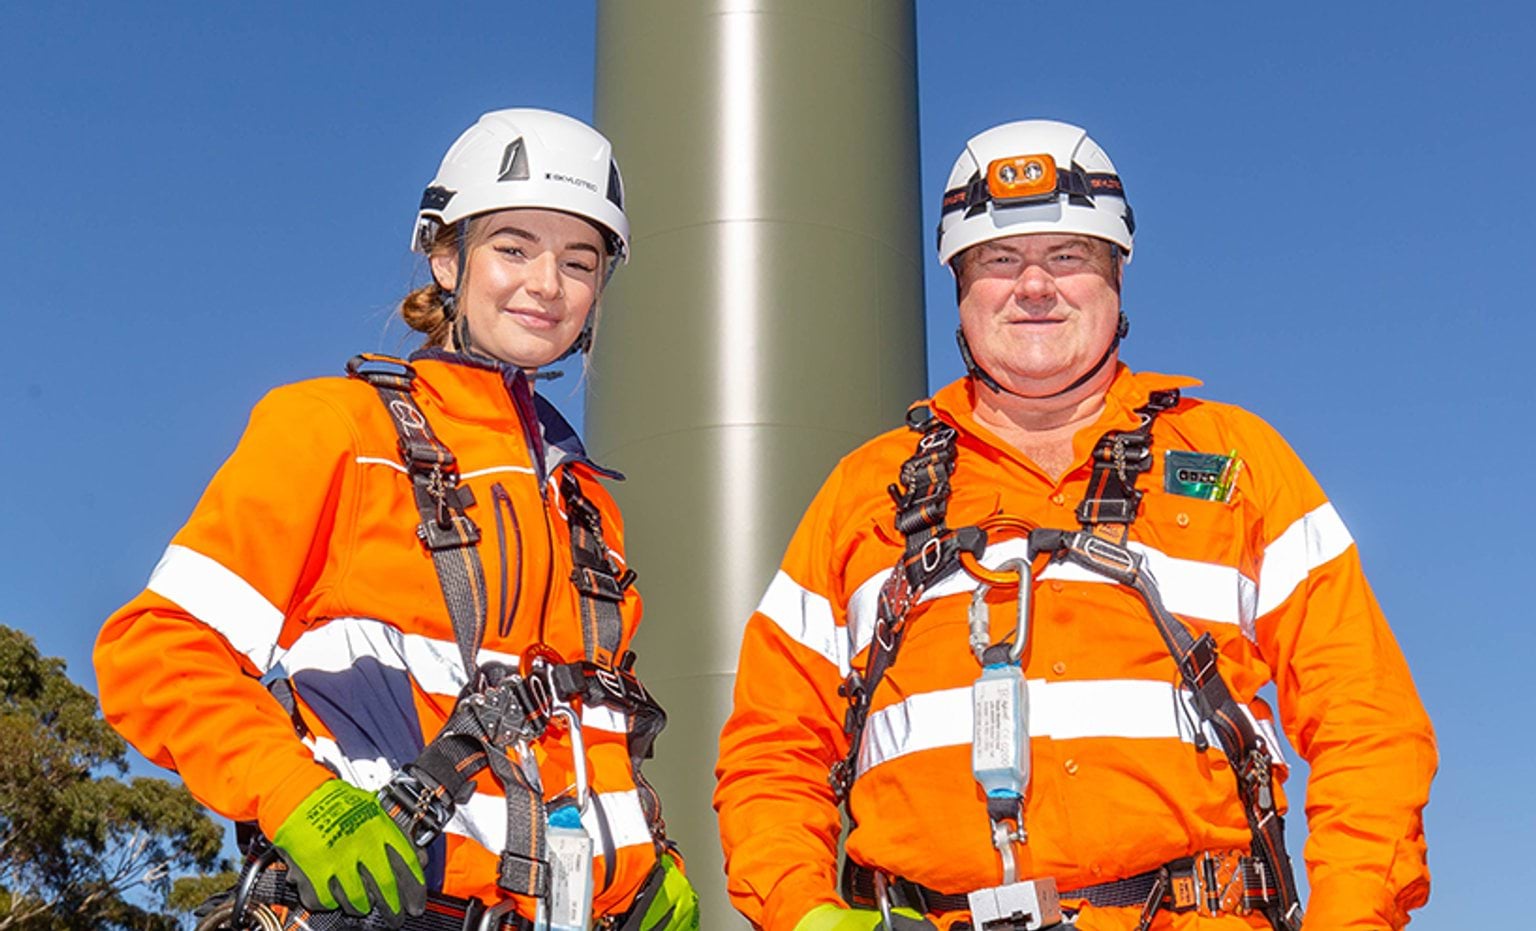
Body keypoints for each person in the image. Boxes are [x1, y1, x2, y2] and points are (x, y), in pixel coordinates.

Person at [713, 119, 1435, 931]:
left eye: (1068, 256)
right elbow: (774, 748)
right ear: (959, 284)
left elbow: (1365, 720)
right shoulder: (863, 492)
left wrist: (1353, 915)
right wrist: (805, 912)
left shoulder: (1235, 459)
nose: (1033, 286)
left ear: (1117, 275)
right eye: (998, 259)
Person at [95, 109, 699, 931]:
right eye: (513, 247)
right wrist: (297, 795)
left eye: (579, 260)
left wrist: (646, 863)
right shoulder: (337, 431)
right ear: (446, 257)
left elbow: (570, 733)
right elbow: (155, 650)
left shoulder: (583, 500)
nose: (547, 283)